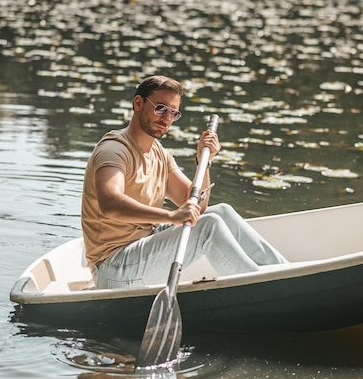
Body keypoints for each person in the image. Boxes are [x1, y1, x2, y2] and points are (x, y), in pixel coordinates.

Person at [81, 75, 287, 289]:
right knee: (208, 228)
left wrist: (203, 162)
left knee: (221, 213)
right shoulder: (114, 150)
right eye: (160, 108)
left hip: (142, 246)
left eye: (173, 113)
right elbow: (110, 203)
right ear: (138, 104)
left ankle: (286, 273)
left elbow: (196, 205)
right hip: (113, 266)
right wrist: (171, 216)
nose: (166, 118)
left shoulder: (159, 154)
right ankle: (267, 289)